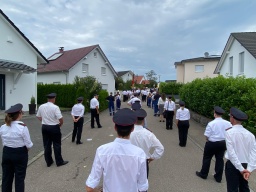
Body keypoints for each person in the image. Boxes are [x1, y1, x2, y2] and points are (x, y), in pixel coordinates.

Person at [85, 108, 148, 192]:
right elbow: (142, 187)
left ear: (115, 128)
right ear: (132, 129)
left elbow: (90, 188)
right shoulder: (140, 153)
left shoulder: (102, 150)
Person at [0, 103, 33, 192]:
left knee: (6, 178)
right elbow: (29, 144)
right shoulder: (22, 127)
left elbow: (4, 142)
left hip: (7, 153)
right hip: (20, 154)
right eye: (21, 112)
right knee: (19, 179)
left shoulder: (3, 127)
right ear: (19, 114)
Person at [196, 106, 232, 183]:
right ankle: (218, 177)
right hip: (222, 143)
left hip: (212, 143)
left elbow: (207, 135)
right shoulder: (228, 123)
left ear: (215, 114)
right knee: (219, 159)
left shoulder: (211, 123)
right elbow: (230, 133)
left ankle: (204, 174)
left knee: (207, 158)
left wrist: (207, 139)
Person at [225, 107, 256, 192]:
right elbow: (254, 154)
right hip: (245, 165)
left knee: (232, 189)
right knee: (244, 188)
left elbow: (231, 153)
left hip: (233, 165)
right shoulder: (250, 135)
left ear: (232, 118)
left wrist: (241, 169)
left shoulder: (229, 133)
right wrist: (248, 170)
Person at [36, 93, 68, 167]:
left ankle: (49, 162)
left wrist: (43, 121)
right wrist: (60, 124)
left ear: (48, 99)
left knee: (47, 145)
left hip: (44, 127)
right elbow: (60, 118)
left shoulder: (41, 106)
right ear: (54, 99)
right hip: (54, 127)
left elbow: (38, 116)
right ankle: (59, 161)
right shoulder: (55, 107)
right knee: (56, 144)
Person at [130, 108, 164, 178]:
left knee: (130, 184)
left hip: (130, 162)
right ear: (143, 121)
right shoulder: (149, 134)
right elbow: (160, 148)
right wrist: (152, 157)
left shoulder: (128, 132)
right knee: (143, 185)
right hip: (143, 161)